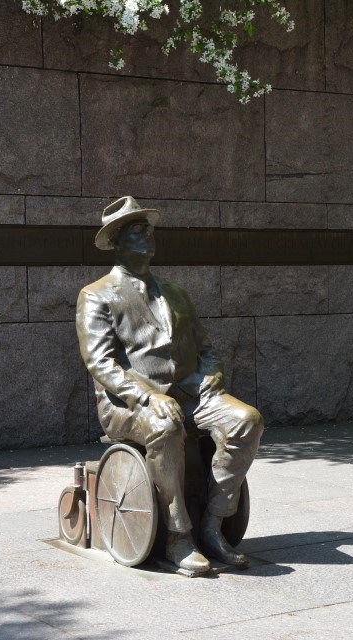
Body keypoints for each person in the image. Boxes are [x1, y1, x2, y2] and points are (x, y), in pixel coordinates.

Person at [76, 196, 264, 574]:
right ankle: (179, 536)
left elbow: (207, 349)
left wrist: (213, 378)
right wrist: (147, 396)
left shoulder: (177, 294)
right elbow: (100, 362)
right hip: (128, 404)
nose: (148, 236)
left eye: (149, 229)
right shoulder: (97, 295)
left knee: (247, 419)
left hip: (190, 394)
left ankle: (212, 526)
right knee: (166, 425)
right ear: (115, 241)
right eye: (136, 230)